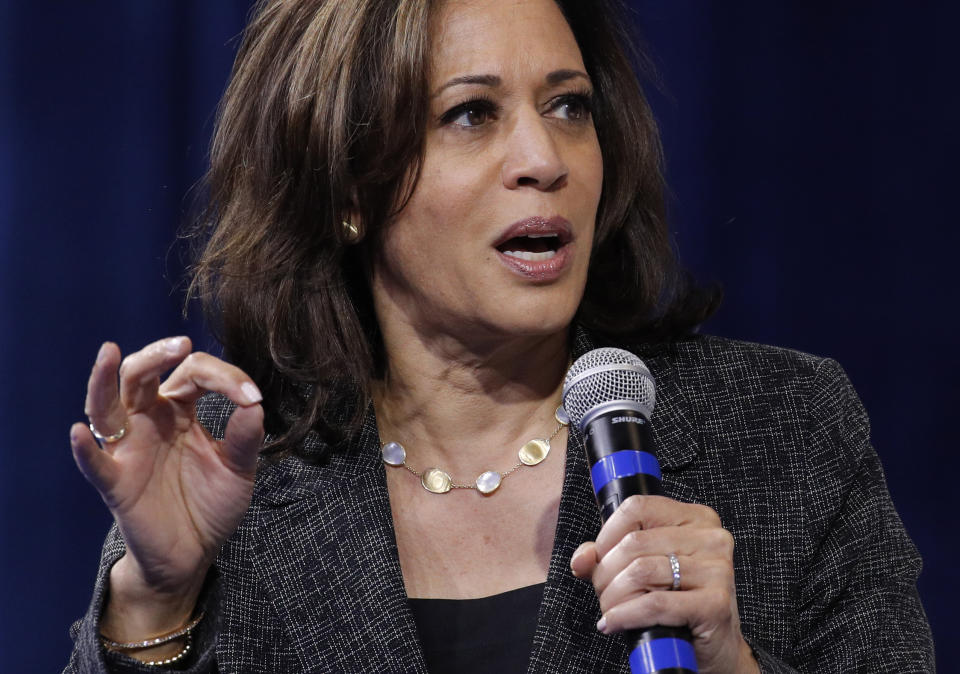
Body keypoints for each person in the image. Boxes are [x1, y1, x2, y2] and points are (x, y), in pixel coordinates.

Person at [65, 0, 934, 672]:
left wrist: (732, 664)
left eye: (568, 105)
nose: (544, 157)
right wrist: (157, 600)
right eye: (472, 114)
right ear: (350, 189)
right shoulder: (232, 465)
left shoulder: (785, 430)